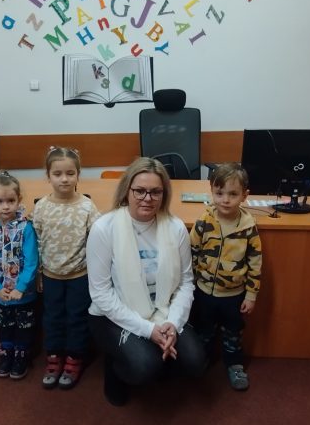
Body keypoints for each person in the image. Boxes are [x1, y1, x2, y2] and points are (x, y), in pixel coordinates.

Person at [87, 156, 207, 406]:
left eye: (155, 192)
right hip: (113, 314)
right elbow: (101, 294)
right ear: (127, 190)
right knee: (144, 367)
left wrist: (173, 323)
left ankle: (155, 352)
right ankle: (116, 366)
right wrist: (148, 330)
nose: (147, 198)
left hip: (163, 310)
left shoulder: (175, 227)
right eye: (140, 190)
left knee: (196, 362)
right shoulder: (104, 228)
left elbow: (186, 283)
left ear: (164, 194)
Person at [32, 146, 100, 389]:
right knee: (52, 317)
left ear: (78, 175)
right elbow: (36, 241)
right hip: (50, 275)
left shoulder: (87, 207)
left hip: (79, 275)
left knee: (76, 317)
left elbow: (98, 239)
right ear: (48, 176)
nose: (64, 179)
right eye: (57, 174)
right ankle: (54, 355)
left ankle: (74, 357)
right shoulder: (41, 207)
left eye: (70, 173)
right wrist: (38, 274)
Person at [190, 163, 262, 391]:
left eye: (233, 194)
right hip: (204, 292)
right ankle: (202, 360)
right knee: (204, 331)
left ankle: (234, 365)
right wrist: (190, 285)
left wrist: (251, 295)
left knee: (233, 334)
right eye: (219, 193)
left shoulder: (248, 227)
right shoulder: (204, 221)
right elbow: (192, 253)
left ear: (244, 196)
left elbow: (255, 262)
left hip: (234, 295)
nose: (225, 200)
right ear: (212, 191)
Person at [0, 170, 38, 380]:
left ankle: (22, 355)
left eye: (11, 201)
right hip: (0, 292)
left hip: (24, 293)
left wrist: (21, 287)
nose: (5, 206)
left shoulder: (26, 227)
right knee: (4, 325)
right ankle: (6, 353)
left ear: (19, 200)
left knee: (25, 326)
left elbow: (32, 260)